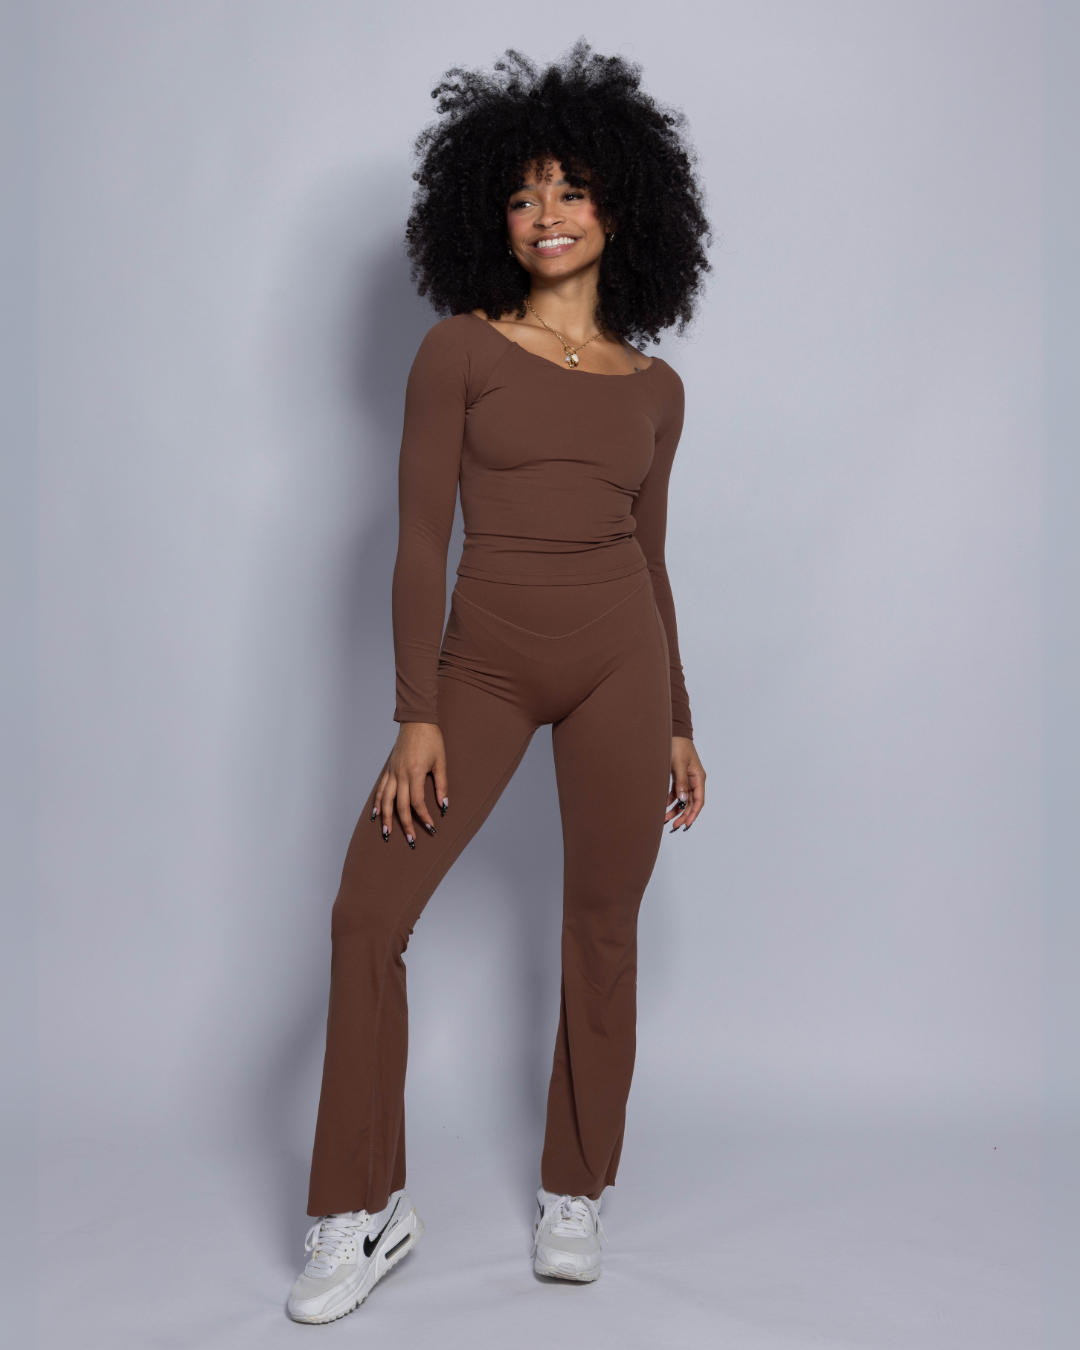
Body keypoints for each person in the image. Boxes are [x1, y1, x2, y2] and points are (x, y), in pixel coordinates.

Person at [287, 42, 710, 1323]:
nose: (547, 214)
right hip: (482, 664)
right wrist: (415, 710)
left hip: (622, 660)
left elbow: (651, 560)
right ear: (492, 215)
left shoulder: (659, 391)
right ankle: (361, 1208)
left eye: (571, 190)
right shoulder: (459, 352)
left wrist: (679, 718)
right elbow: (421, 537)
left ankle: (575, 1187)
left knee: (603, 924)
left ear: (621, 205)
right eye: (523, 196)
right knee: (368, 915)